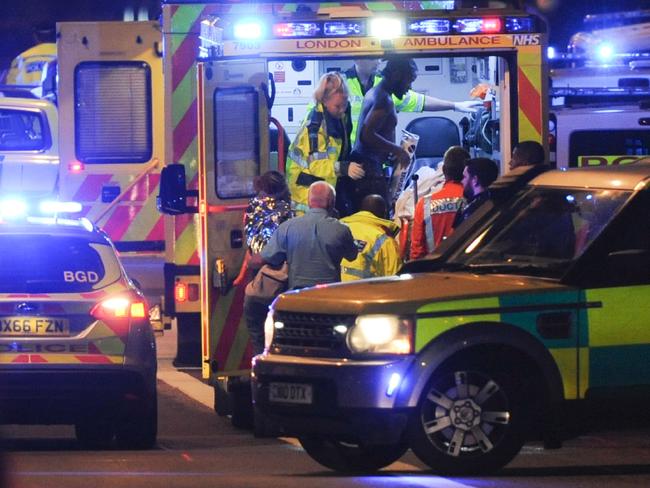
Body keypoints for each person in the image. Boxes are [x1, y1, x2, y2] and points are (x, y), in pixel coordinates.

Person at [344, 58, 481, 145]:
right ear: (357, 58)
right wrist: (396, 151)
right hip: (352, 162)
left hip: (379, 162)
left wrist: (455, 106)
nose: (379, 62)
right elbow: (367, 134)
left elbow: (419, 101)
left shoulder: (382, 84)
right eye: (373, 57)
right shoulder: (343, 83)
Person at [344, 57, 419, 213]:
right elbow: (367, 135)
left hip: (368, 168)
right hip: (369, 173)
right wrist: (398, 151)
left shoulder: (378, 93)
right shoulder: (383, 99)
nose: (409, 87)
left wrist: (388, 152)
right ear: (397, 75)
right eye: (409, 81)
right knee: (378, 219)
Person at [285, 72, 365, 215]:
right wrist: (345, 168)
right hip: (306, 195)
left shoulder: (336, 118)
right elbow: (315, 164)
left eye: (345, 104)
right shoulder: (315, 127)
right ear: (324, 101)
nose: (342, 110)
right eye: (338, 106)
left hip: (324, 186)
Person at [261, 181, 358, 290]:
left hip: (298, 297)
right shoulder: (341, 229)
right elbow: (352, 255)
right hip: (330, 297)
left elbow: (269, 257)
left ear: (308, 202)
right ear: (331, 202)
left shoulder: (287, 227)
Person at [242, 171, 294, 355]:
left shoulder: (252, 209)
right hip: (282, 281)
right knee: (281, 332)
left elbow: (250, 247)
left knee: (257, 332)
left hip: (258, 279)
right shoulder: (289, 212)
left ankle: (260, 365)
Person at [410, 146, 469, 259]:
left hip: (433, 271)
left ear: (444, 170)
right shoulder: (474, 200)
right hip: (466, 270)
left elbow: (416, 252)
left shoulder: (424, 204)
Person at [340, 194, 402, 281]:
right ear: (384, 214)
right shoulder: (386, 241)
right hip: (366, 292)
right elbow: (395, 279)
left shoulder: (339, 229)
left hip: (332, 290)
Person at [453, 157, 499, 227]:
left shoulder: (473, 213)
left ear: (475, 180)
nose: (462, 181)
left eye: (464, 177)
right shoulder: (494, 202)